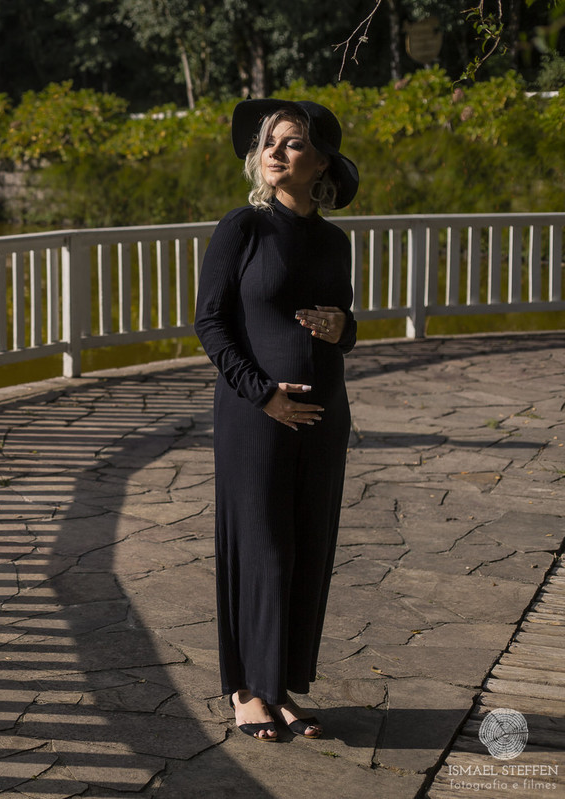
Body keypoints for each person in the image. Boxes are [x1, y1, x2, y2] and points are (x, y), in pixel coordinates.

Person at [193, 99, 360, 742]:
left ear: (320, 163)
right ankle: (245, 688)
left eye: (292, 143)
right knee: (260, 546)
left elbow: (343, 325)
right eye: (269, 141)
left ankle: (280, 684)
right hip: (254, 416)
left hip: (325, 418)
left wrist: (345, 328)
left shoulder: (334, 240)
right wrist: (262, 393)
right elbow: (211, 322)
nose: (275, 150)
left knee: (306, 548)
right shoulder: (243, 228)